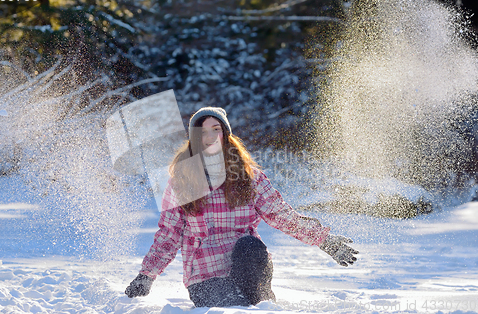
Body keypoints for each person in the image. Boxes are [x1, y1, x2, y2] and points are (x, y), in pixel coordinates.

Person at [125, 107, 358, 307]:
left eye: (216, 129)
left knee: (249, 247)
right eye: (203, 131)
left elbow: (281, 215)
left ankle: (262, 299)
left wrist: (323, 240)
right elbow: (170, 234)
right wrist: (147, 275)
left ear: (225, 134)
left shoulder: (250, 178)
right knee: (233, 308)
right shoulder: (182, 181)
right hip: (206, 276)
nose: (210, 136)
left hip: (249, 268)